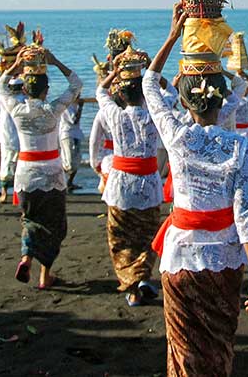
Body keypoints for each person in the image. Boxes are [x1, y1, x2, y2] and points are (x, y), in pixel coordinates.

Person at [144, 6, 248, 377]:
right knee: (218, 345)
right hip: (225, 255)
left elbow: (149, 83)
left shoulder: (177, 136)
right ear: (222, 100)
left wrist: (173, 35)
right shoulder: (237, 145)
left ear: (183, 101)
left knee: (182, 348)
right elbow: (245, 212)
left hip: (181, 253)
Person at [0, 48, 82, 289]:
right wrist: (56, 62)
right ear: (46, 90)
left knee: (30, 219)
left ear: (25, 90)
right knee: (55, 225)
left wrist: (15, 66)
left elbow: (1, 86)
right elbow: (76, 85)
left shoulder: (16, 109)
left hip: (26, 173)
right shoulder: (53, 109)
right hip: (52, 173)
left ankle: (26, 257)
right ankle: (46, 275)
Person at [97, 54, 163, 307]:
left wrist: (115, 71)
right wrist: (147, 71)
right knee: (147, 237)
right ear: (144, 96)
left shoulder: (115, 114)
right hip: (149, 184)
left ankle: (135, 286)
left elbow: (101, 90)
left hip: (122, 186)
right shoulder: (154, 114)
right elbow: (164, 92)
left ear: (121, 96)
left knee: (121, 240)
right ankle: (143, 277)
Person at [0, 77, 24, 203]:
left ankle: (5, 194)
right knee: (18, 167)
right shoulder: (24, 100)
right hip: (19, 138)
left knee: (6, 165)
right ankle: (16, 195)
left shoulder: (3, 98)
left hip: (7, 137)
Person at [58, 99, 84, 191]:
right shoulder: (67, 106)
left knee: (76, 160)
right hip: (68, 135)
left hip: (76, 134)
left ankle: (69, 182)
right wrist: (81, 107)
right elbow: (74, 120)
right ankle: (59, 181)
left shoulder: (73, 105)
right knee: (68, 162)